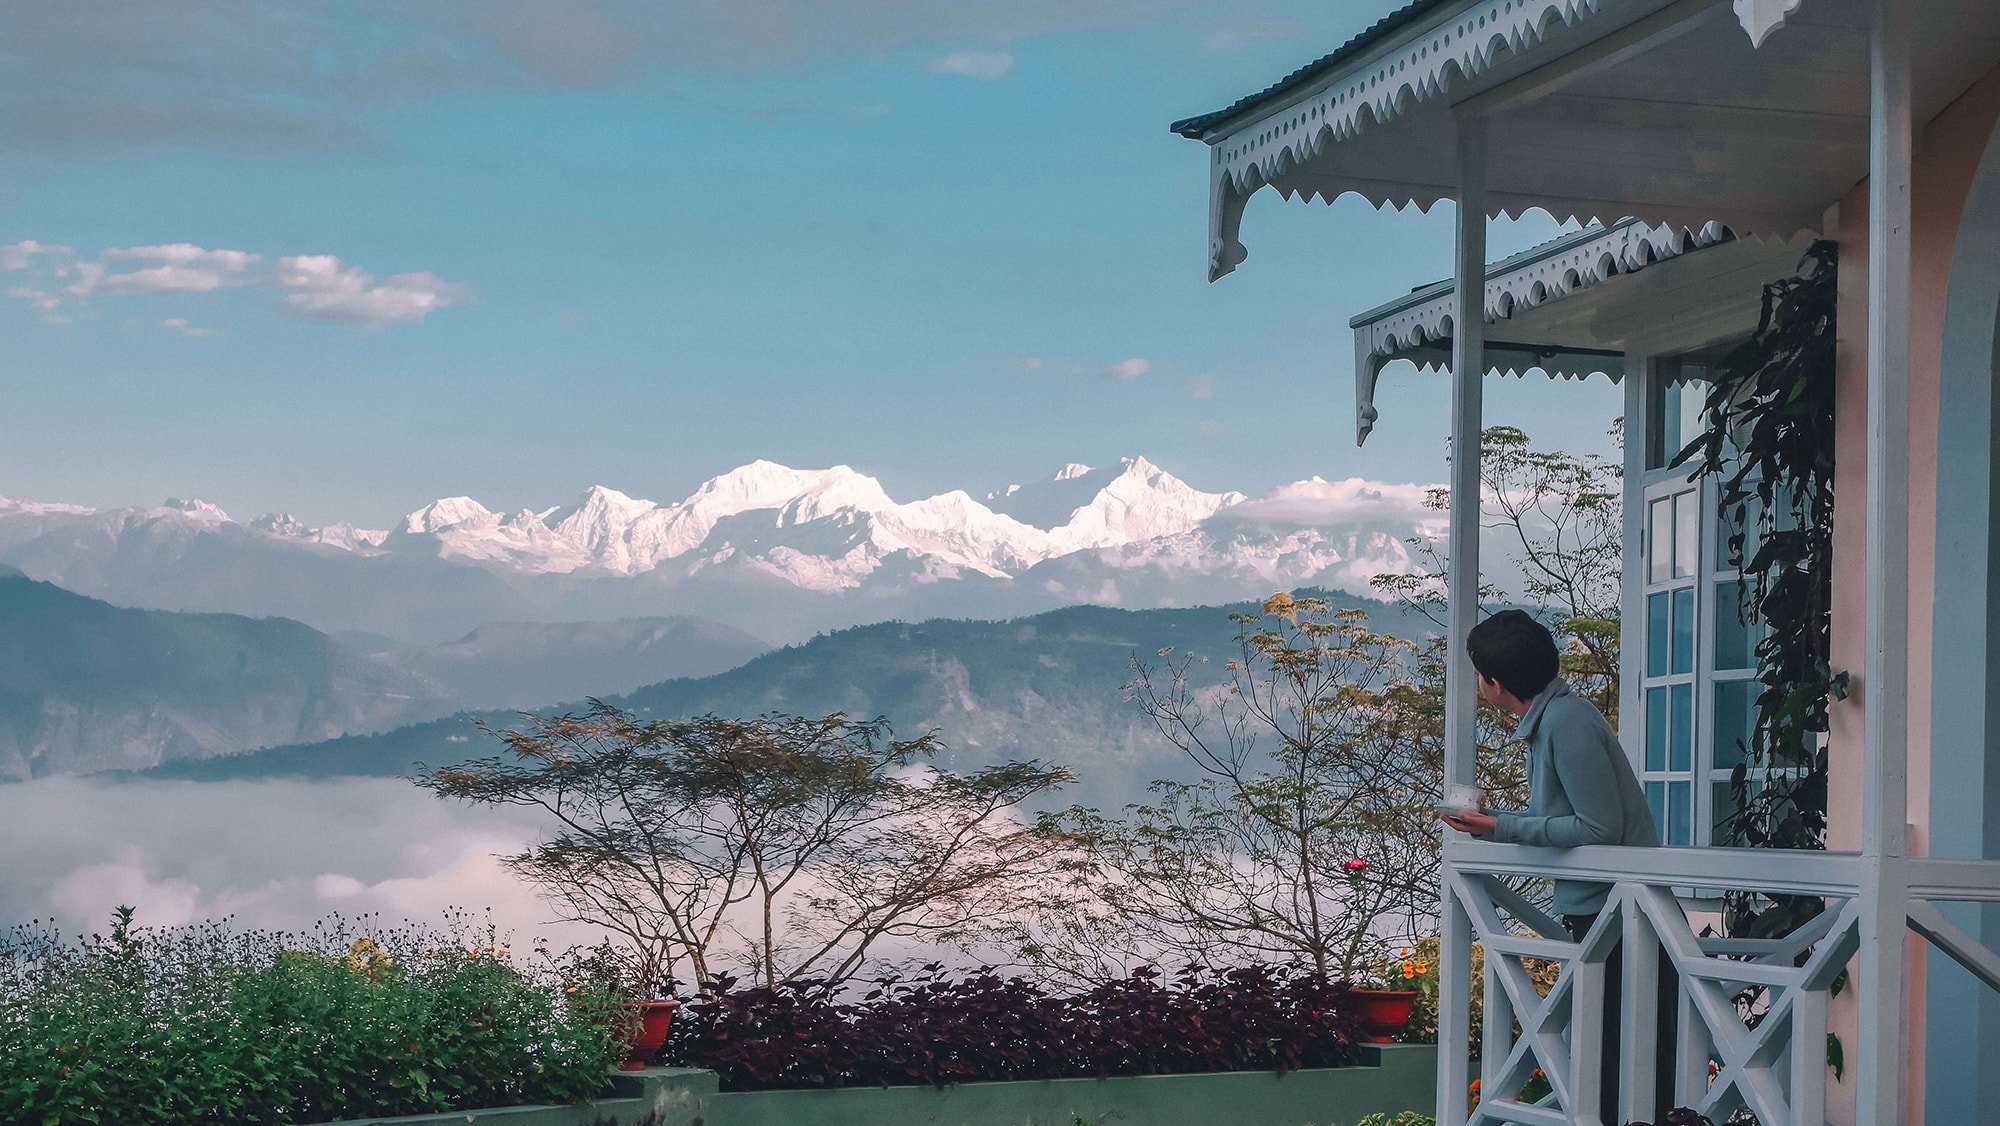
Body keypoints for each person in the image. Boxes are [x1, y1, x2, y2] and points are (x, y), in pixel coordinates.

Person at [1438, 608, 1669, 1121]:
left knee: (1624, 1066)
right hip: (1604, 917)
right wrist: (1495, 821)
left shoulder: (1568, 722)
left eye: (1480, 675)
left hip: (1620, 920)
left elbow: (1598, 830)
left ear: (1495, 683)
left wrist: (1501, 827)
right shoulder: (1555, 720)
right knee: (1606, 1061)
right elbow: (1567, 819)